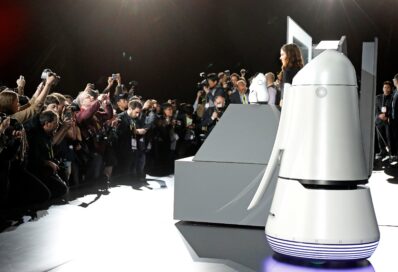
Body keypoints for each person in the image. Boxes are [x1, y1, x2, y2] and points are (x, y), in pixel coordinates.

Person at [375, 81, 394, 159]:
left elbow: (393, 109)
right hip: (379, 121)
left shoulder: (393, 98)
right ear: (383, 88)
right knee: (380, 138)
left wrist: (387, 116)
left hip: (388, 121)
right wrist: (379, 115)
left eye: (388, 87)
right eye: (384, 87)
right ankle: (382, 152)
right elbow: (375, 108)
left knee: (389, 137)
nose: (386, 89)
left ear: (390, 89)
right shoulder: (378, 97)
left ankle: (391, 153)